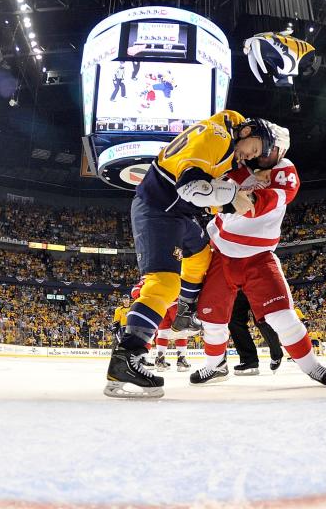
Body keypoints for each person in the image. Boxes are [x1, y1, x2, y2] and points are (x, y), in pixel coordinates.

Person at [104, 110, 273, 398]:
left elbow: (202, 194)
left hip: (177, 214)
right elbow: (192, 187)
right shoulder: (217, 137)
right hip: (157, 210)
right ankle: (127, 357)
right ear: (245, 132)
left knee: (201, 254)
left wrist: (235, 192)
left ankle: (185, 310)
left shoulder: (222, 138)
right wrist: (233, 197)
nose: (250, 156)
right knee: (164, 284)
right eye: (254, 149)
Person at [188, 138, 326, 387]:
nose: (260, 153)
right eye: (253, 148)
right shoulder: (232, 164)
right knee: (212, 320)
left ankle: (312, 366)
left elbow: (260, 202)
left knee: (282, 316)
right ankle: (214, 366)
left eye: (264, 148)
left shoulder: (285, 169)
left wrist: (238, 196)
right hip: (221, 253)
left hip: (258, 257)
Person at [229, 290, 284, 375]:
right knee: (234, 321)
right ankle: (249, 360)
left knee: (261, 320)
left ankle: (276, 353)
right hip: (237, 286)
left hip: (256, 283)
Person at [153, 301, 190, 372]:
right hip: (175, 301)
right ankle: (181, 360)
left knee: (162, 332)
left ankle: (160, 360)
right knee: (181, 331)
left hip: (161, 303)